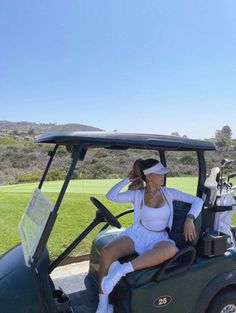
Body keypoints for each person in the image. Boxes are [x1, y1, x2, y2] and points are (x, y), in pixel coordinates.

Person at [95, 158, 203, 313]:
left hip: (159, 237)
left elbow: (197, 201)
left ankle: (120, 271)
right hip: (138, 234)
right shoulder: (137, 194)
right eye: (160, 173)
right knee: (106, 252)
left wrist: (190, 217)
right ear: (149, 176)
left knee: (171, 250)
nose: (163, 176)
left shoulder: (169, 193)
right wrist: (127, 179)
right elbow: (111, 195)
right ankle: (103, 305)